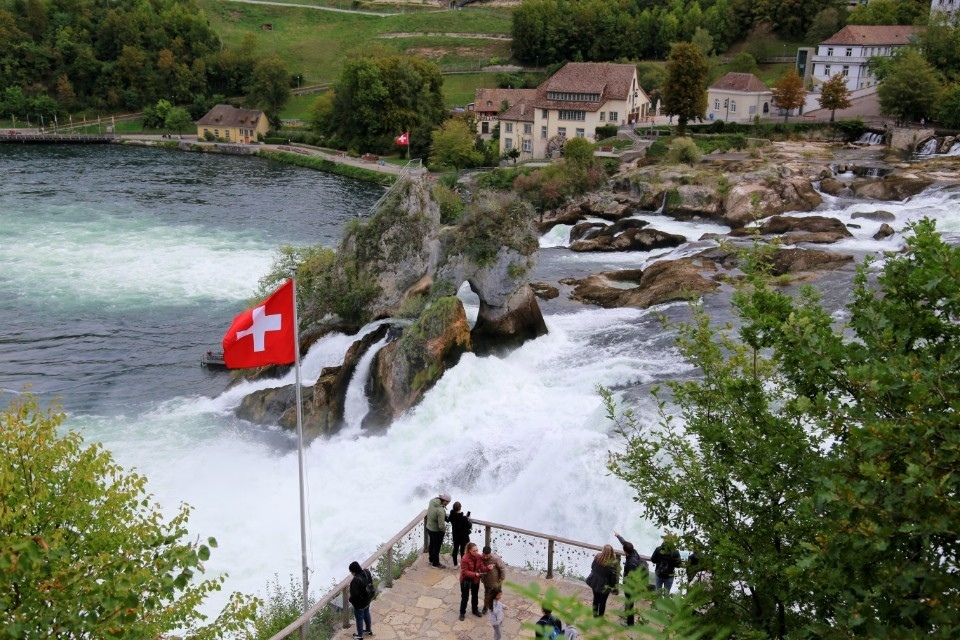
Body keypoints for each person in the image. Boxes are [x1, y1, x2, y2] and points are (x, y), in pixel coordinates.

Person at [614, 530, 645, 626]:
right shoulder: (634, 552)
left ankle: (630, 623)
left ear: (625, 552)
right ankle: (627, 616)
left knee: (630, 603)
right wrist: (618, 536)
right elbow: (625, 543)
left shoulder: (631, 563)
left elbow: (631, 577)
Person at [585, 544, 620, 617]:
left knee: (595, 600)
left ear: (603, 551)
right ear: (611, 552)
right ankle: (600, 618)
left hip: (595, 582)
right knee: (602, 602)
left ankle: (595, 616)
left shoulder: (598, 557)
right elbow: (613, 578)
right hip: (605, 586)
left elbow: (592, 567)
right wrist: (614, 588)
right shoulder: (613, 563)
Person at [458, 542, 485, 620]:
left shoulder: (479, 557)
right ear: (469, 550)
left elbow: (482, 567)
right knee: (465, 597)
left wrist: (487, 568)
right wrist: (475, 574)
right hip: (465, 580)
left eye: (477, 550)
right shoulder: (464, 559)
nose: (476, 552)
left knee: (475, 595)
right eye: (474, 551)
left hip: (475, 580)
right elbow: (464, 572)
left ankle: (475, 610)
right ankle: (462, 613)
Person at [348, 561, 374, 639]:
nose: (351, 573)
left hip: (360, 604)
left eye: (351, 572)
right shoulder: (366, 572)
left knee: (359, 619)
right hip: (368, 599)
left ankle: (359, 636)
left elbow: (354, 596)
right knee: (366, 613)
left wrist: (350, 600)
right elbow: (370, 583)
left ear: (354, 571)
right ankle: (368, 631)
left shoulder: (355, 580)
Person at [426, 492, 451, 567]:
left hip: (429, 527)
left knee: (432, 545)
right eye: (448, 502)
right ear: (445, 501)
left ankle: (431, 559)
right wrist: (443, 531)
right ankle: (435, 563)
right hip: (436, 531)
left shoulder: (432, 501)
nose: (448, 504)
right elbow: (441, 525)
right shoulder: (440, 510)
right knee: (436, 547)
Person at [481, 545, 507, 614]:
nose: (485, 557)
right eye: (484, 555)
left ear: (490, 553)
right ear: (482, 553)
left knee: (497, 594)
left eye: (487, 555)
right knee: (487, 595)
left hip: (496, 580)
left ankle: (497, 605)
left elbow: (502, 568)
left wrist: (502, 578)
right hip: (487, 581)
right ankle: (485, 607)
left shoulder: (496, 558)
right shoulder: (480, 558)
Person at [448, 501, 472, 566]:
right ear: (460, 508)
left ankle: (455, 564)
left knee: (455, 549)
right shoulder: (463, 518)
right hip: (463, 537)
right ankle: (463, 564)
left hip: (455, 535)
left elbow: (453, 520)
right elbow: (469, 526)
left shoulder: (451, 515)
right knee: (462, 551)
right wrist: (469, 520)